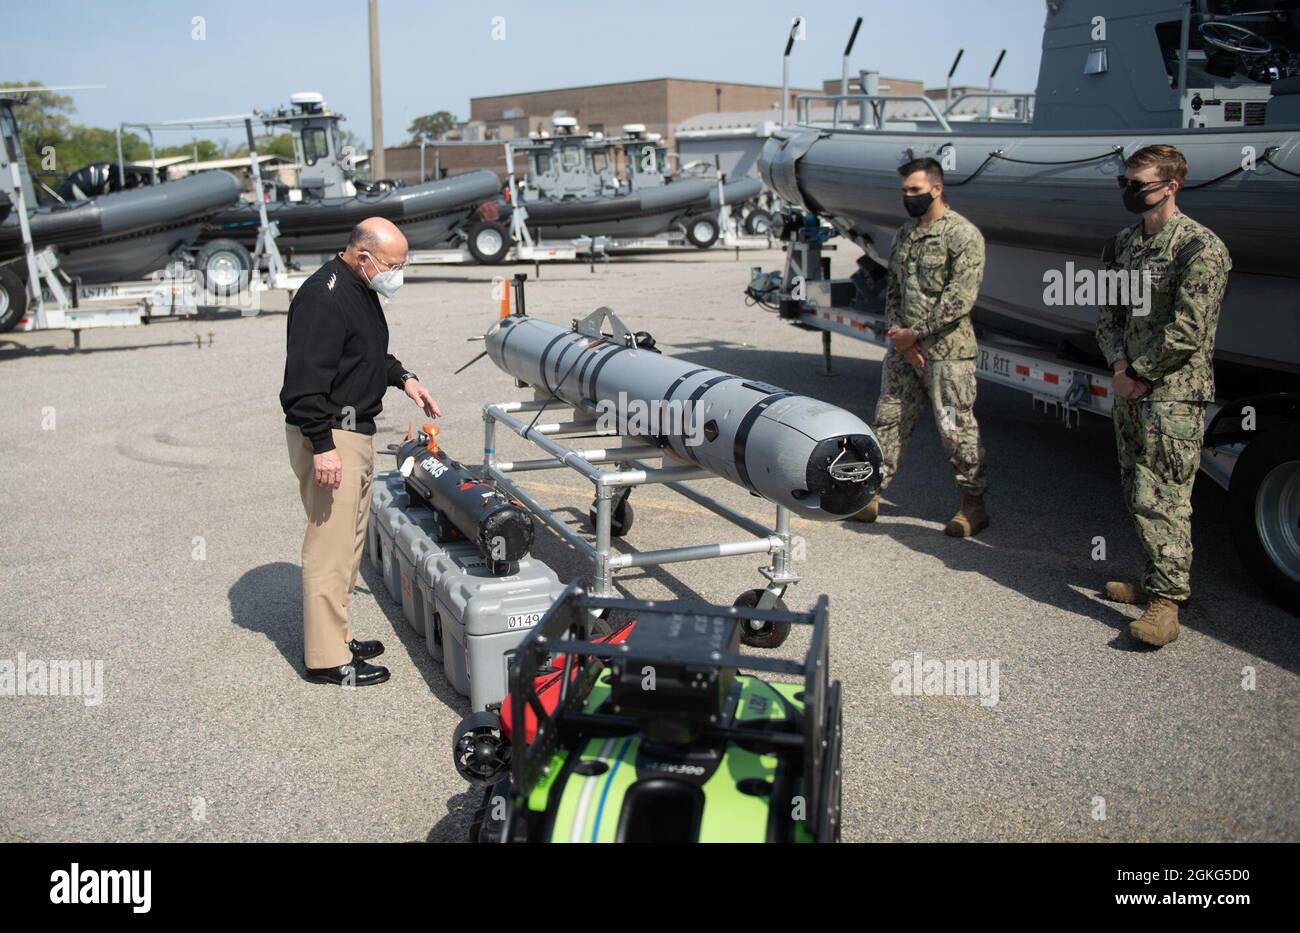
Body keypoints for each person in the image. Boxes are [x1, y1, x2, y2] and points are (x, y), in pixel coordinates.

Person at [280, 217, 443, 685]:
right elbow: (305, 382)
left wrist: (403, 377)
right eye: (394, 265)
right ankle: (327, 660)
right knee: (329, 548)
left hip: (353, 431)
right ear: (364, 257)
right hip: (332, 434)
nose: (399, 273)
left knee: (350, 544)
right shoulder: (324, 297)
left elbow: (366, 353)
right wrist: (323, 446)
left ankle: (338, 634)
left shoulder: (360, 288)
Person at [1096, 144, 1230, 648]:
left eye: (1140, 185)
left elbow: (1190, 329)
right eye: (1125, 183)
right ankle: (1157, 581)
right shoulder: (1121, 246)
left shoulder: (1199, 248)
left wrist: (1142, 373)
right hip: (1130, 386)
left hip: (1173, 394)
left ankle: (1166, 605)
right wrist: (1117, 365)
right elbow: (1109, 316)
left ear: (1171, 187)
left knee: (1165, 495)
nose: (1130, 192)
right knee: (1136, 488)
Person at [852, 156, 989, 537]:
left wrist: (918, 334)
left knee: (955, 429)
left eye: (915, 190)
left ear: (936, 188)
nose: (908, 197)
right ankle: (871, 494)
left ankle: (973, 505)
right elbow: (894, 289)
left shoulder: (962, 235)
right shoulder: (905, 235)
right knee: (889, 420)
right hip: (904, 348)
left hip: (948, 352)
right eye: (904, 191)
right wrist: (900, 334)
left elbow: (960, 298)